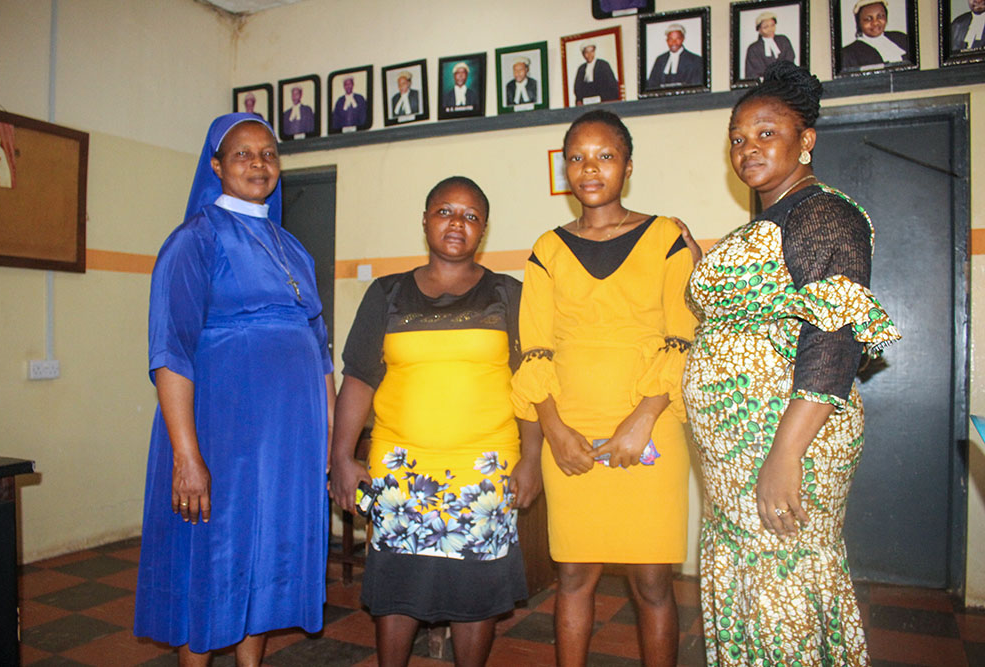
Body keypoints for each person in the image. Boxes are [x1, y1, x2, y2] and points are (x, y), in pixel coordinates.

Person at [683, 61, 901, 665]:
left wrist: (786, 455)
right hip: (737, 454)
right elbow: (761, 307)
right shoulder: (769, 220)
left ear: (806, 140)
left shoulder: (822, 213)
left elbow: (832, 342)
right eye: (737, 138)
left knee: (786, 585)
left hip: (785, 441)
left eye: (766, 133)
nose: (747, 148)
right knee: (755, 586)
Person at [134, 113, 336, 665]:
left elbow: (319, 352)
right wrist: (186, 455)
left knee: (267, 550)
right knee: (209, 552)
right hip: (220, 434)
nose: (258, 163)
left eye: (268, 154)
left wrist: (328, 440)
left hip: (287, 445)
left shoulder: (294, 248)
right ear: (216, 165)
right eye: (243, 154)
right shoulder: (194, 240)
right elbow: (170, 351)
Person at [330, 176, 543, 667]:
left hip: (484, 472)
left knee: (476, 591)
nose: (457, 223)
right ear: (425, 220)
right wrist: (341, 457)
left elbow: (530, 383)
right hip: (401, 470)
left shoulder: (508, 294)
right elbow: (359, 379)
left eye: (470, 216)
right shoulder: (386, 294)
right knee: (398, 585)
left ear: (483, 231)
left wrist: (532, 459)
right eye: (445, 211)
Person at [512, 110, 698, 666]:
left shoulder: (666, 236)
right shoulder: (546, 247)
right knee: (573, 576)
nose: (589, 168)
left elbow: (683, 335)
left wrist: (642, 419)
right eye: (577, 157)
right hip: (570, 426)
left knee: (652, 582)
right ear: (565, 167)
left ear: (629, 166)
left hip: (652, 425)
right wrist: (553, 431)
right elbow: (533, 347)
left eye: (605, 156)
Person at [841, 0, 910, 69]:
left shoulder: (901, 37)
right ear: (859, 22)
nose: (875, 23)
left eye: (880, 16)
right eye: (868, 19)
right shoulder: (848, 54)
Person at [646, 24, 704, 89]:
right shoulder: (660, 60)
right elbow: (651, 85)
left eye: (677, 39)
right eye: (670, 39)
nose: (674, 42)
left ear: (683, 39)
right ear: (667, 41)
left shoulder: (695, 60)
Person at [744, 11, 796, 79]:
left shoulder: (784, 41)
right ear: (759, 29)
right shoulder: (753, 49)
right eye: (766, 27)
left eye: (772, 25)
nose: (770, 29)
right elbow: (753, 73)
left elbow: (790, 60)